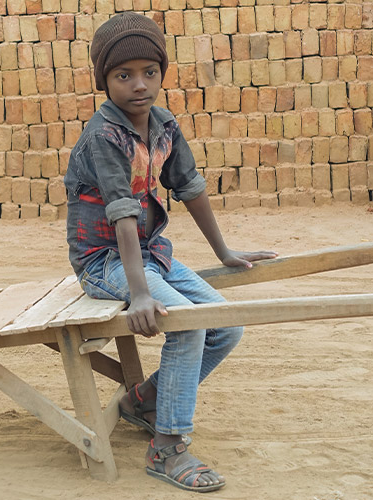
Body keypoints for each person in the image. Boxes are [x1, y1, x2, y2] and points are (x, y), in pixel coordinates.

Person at [64, 12, 277, 493]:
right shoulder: (104, 136)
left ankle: (146, 399)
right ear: (105, 81)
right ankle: (167, 447)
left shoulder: (163, 124)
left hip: (148, 250)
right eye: (124, 76)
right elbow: (120, 213)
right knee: (186, 321)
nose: (139, 85)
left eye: (149, 72)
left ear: (162, 73)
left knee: (227, 324)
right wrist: (140, 295)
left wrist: (223, 252)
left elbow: (189, 186)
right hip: (104, 261)